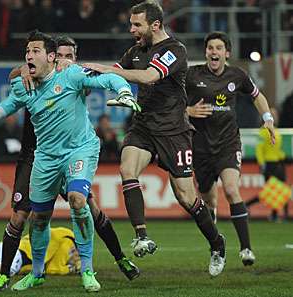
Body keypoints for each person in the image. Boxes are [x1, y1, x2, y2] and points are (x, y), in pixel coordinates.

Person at [0, 30, 139, 292]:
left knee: (79, 201)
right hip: (44, 156)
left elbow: (108, 79)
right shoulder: (25, 83)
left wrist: (124, 90)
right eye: (28, 52)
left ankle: (88, 270)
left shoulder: (70, 75)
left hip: (79, 150)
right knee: (39, 216)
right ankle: (36, 273)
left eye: (35, 51)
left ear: (51, 57)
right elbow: (10, 103)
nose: (29, 56)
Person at [82, 1, 227, 276]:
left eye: (137, 25)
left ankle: (217, 243)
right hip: (144, 126)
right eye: (131, 24)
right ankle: (141, 235)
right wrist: (78, 73)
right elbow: (111, 71)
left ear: (155, 25)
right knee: (127, 169)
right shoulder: (137, 51)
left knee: (186, 197)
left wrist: (111, 71)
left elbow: (149, 77)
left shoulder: (175, 50)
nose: (132, 29)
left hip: (174, 131)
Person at [186, 31, 276, 266]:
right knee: (209, 201)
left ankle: (246, 248)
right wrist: (187, 111)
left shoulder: (238, 75)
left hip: (228, 143)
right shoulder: (192, 75)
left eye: (218, 48)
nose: (213, 52)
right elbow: (171, 101)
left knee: (232, 189)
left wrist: (267, 118)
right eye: (210, 48)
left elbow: (258, 96)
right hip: (201, 146)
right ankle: (217, 246)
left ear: (227, 53)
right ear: (206, 52)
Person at [246, 108, 287, 222]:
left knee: (279, 190)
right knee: (270, 191)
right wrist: (262, 164)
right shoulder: (263, 131)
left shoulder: (276, 131)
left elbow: (278, 149)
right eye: (272, 114)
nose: (274, 116)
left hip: (278, 163)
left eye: (275, 114)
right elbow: (259, 150)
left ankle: (275, 215)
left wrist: (282, 157)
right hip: (269, 164)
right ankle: (246, 204)